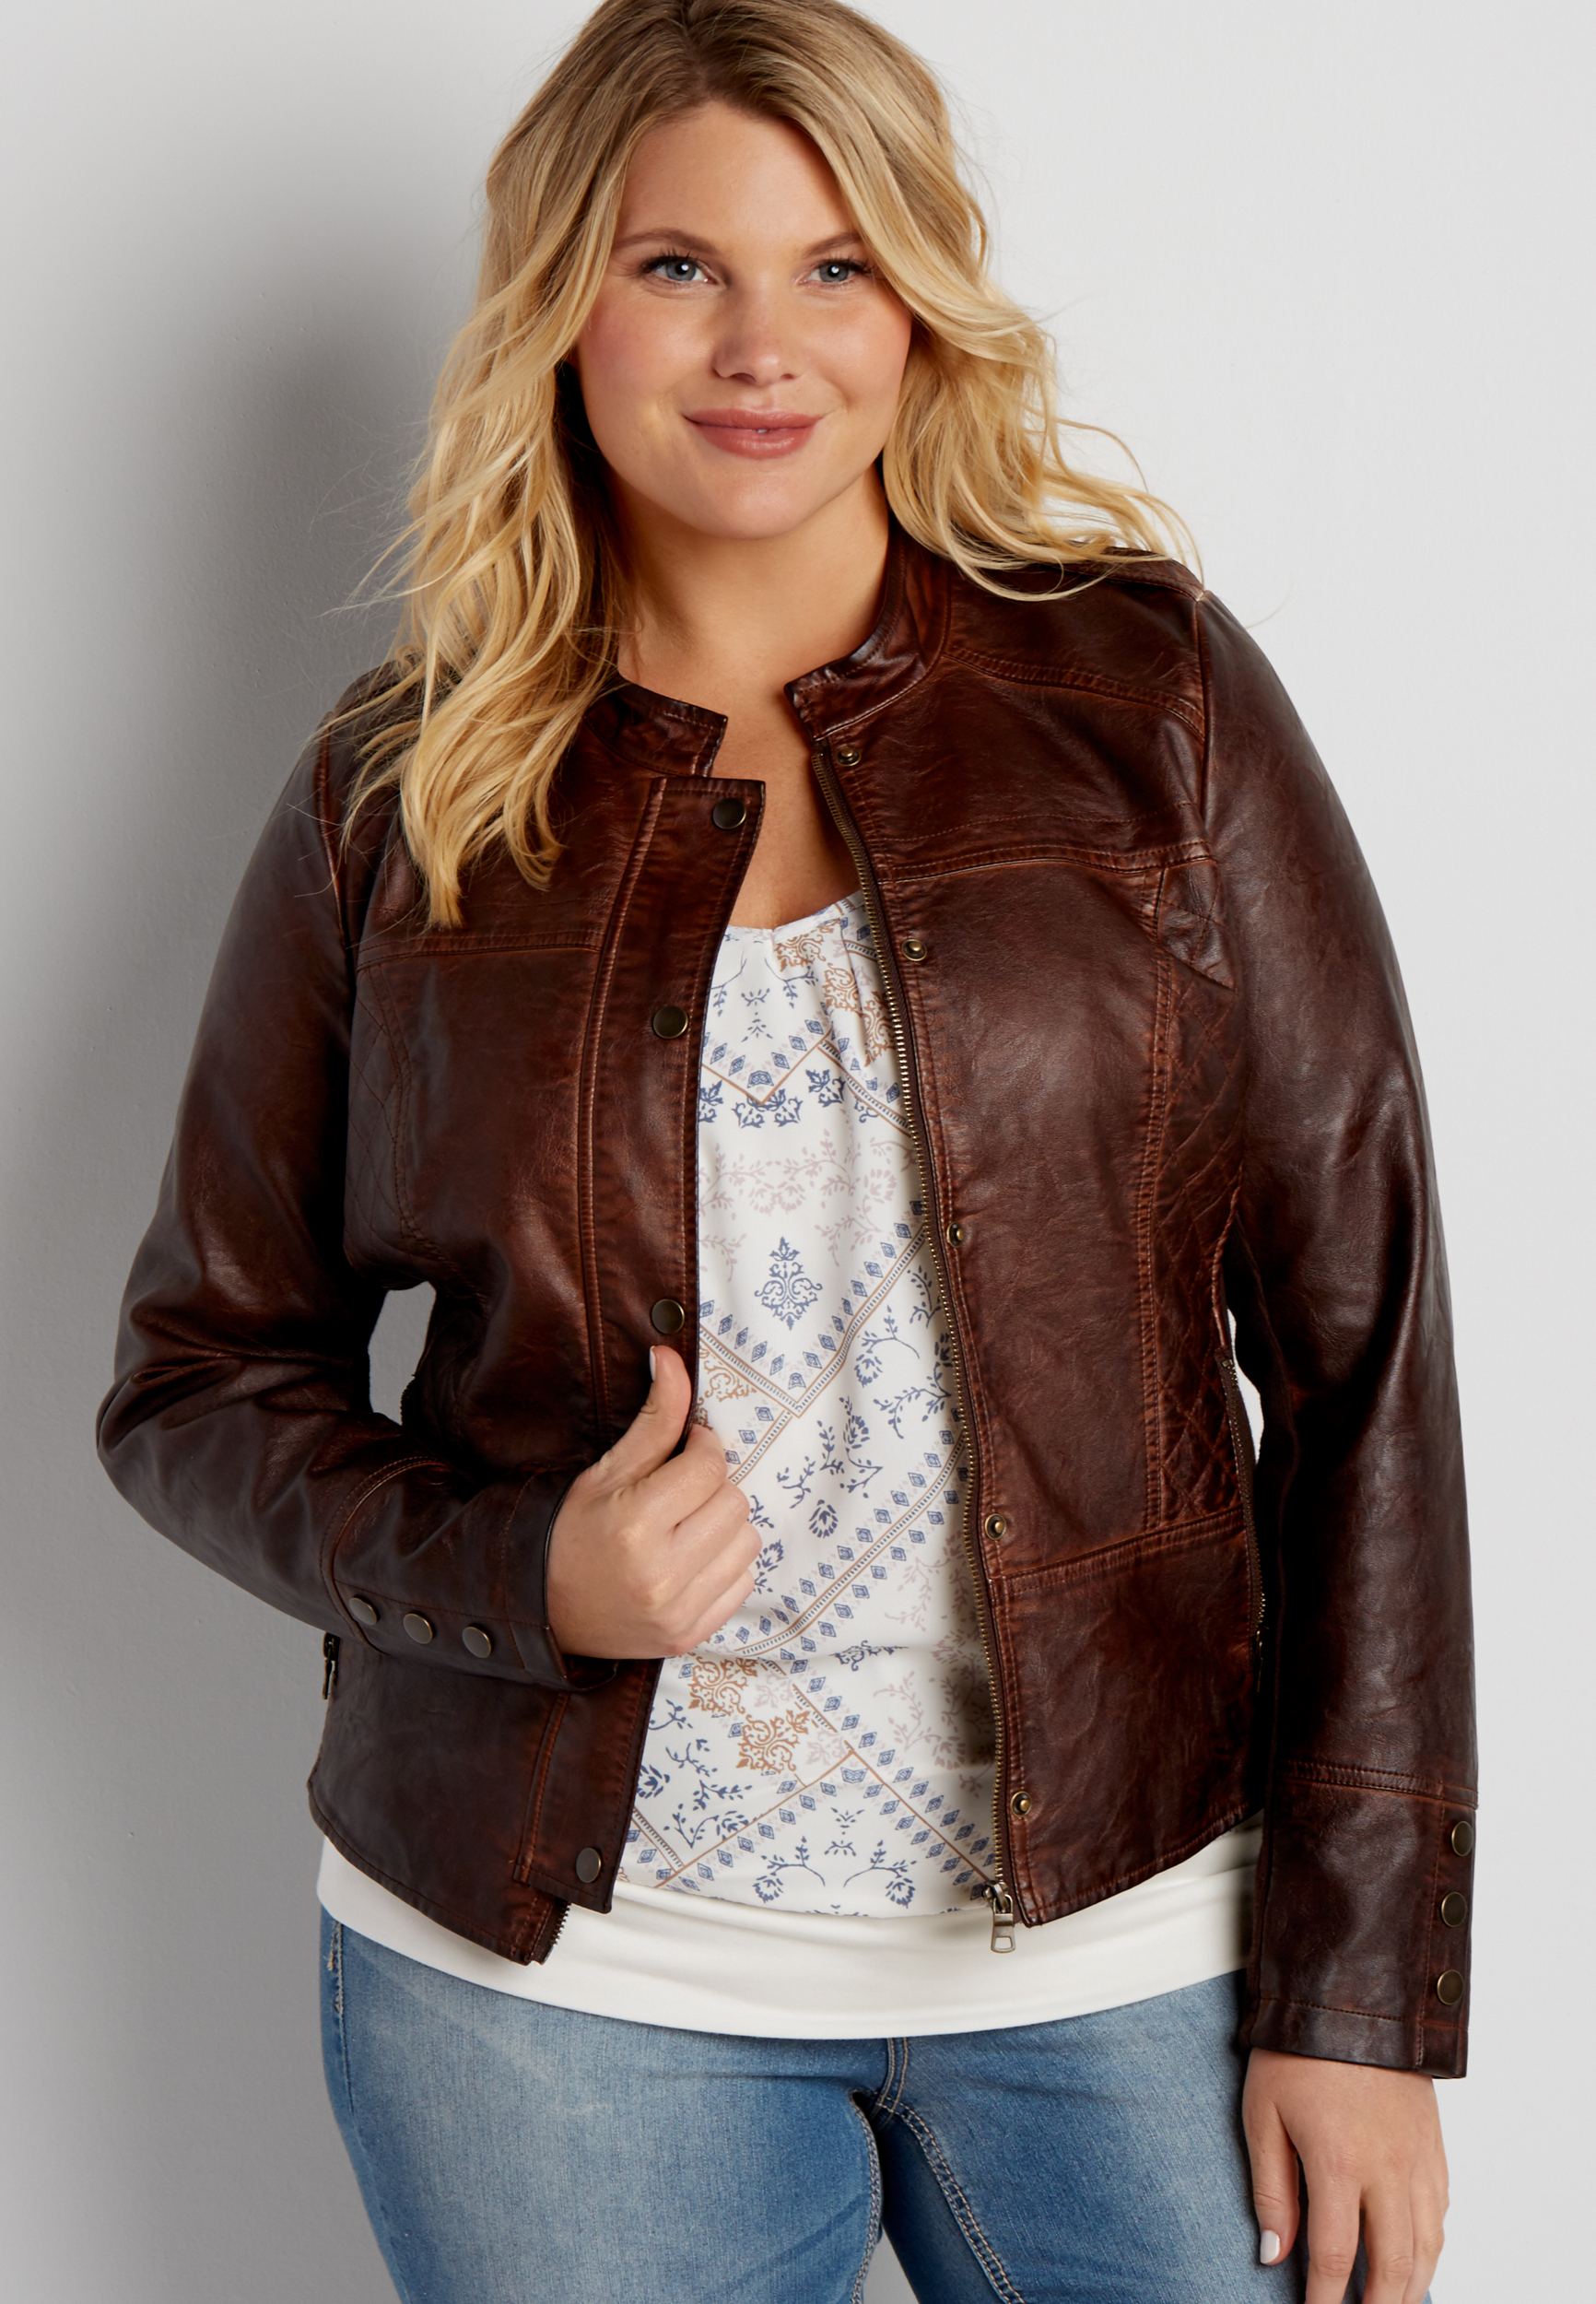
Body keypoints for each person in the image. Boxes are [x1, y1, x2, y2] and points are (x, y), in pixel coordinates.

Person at [96, 3, 1474, 2298]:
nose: (762, 345)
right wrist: (521, 1568)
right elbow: (195, 1379)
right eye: (678, 267)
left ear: (917, 307)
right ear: (562, 304)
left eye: (834, 267)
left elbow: (1363, 1350)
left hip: (1127, 1939)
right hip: (558, 1987)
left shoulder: (1146, 705)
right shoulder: (401, 797)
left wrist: (1361, 1990)